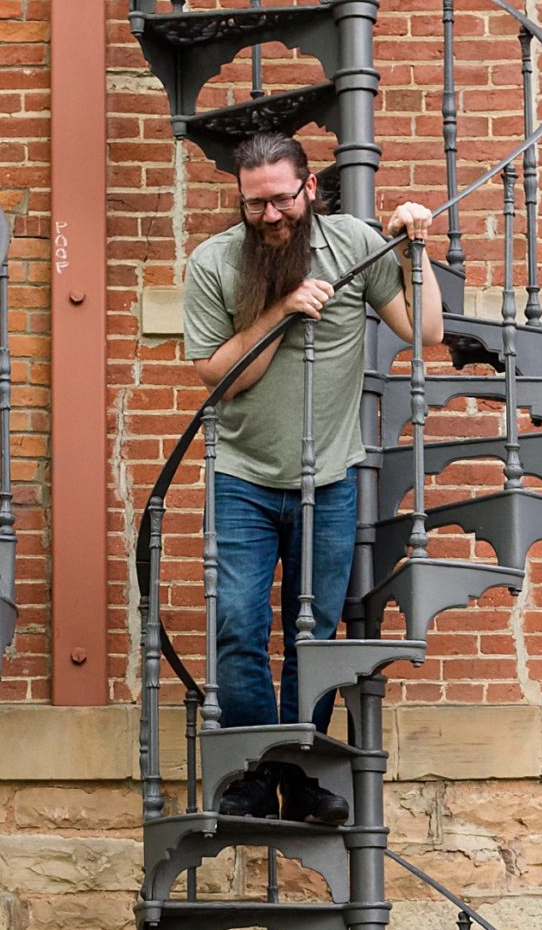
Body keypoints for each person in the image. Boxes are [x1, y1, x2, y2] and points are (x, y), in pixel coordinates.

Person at [182, 131, 444, 825]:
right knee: (237, 626)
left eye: (280, 200)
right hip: (240, 476)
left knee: (314, 635)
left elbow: (425, 330)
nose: (269, 216)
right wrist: (280, 310)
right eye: (253, 204)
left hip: (327, 476)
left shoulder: (356, 243)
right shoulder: (214, 263)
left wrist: (416, 250)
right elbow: (220, 380)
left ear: (308, 188)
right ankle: (253, 772)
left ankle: (297, 775)